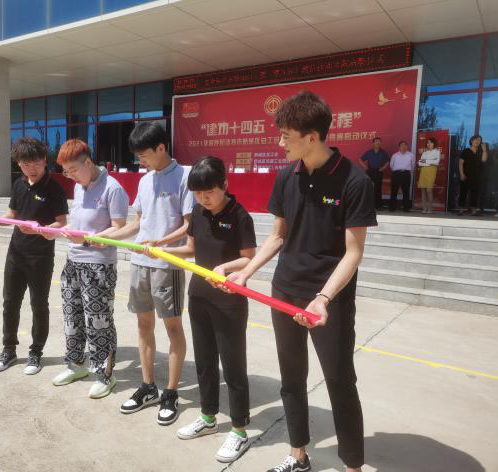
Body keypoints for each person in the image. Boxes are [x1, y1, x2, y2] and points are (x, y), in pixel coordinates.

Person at [229, 91, 377, 472]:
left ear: (312, 137)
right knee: (291, 378)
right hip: (285, 291)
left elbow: (354, 253)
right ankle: (298, 455)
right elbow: (278, 235)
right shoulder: (287, 177)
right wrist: (247, 271)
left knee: (339, 381)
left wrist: (323, 298)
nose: (280, 143)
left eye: (286, 136)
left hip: (329, 299)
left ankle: (352, 466)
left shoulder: (354, 181)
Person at [155, 156, 256, 463]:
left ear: (224, 185)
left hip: (228, 300)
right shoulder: (198, 213)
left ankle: (239, 430)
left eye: (208, 192)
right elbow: (192, 248)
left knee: (233, 365)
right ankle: (208, 417)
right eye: (198, 194)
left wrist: (224, 268)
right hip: (199, 296)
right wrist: (164, 250)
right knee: (204, 362)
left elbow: (249, 257)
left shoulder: (240, 215)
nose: (203, 199)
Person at [105, 121, 195, 425]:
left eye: (144, 155)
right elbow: (137, 224)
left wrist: (160, 243)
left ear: (161, 147)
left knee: (173, 329)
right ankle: (148, 386)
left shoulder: (185, 176)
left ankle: (170, 392)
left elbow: (189, 225)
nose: (141, 162)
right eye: (138, 157)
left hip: (167, 264)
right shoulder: (145, 181)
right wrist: (102, 237)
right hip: (140, 263)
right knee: (143, 326)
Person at [45, 139, 129, 399]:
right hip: (73, 261)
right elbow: (78, 224)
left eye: (73, 170)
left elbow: (119, 228)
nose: (70, 176)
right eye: (66, 172)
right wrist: (57, 231)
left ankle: (105, 375)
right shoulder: (79, 187)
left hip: (98, 265)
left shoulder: (113, 188)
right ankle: (76, 365)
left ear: (89, 162)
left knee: (99, 321)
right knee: (72, 317)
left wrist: (89, 240)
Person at [0, 136, 68, 375]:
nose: (31, 168)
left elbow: (62, 223)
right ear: (18, 164)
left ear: (44, 161)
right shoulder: (19, 185)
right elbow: (12, 214)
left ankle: (36, 352)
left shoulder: (54, 188)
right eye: (25, 164)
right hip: (16, 253)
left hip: (40, 256)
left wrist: (39, 229)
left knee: (38, 304)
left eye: (36, 163)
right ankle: (9, 350)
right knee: (10, 302)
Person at [459, 135, 488, 216]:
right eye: (476, 139)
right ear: (471, 140)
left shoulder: (480, 152)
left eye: (479, 140)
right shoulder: (466, 151)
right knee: (463, 192)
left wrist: (484, 150)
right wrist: (461, 174)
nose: (477, 141)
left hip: (476, 176)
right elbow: (460, 163)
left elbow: (484, 160)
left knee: (474, 193)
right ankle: (461, 210)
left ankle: (474, 211)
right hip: (465, 175)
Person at [359, 137, 389, 209]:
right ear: (373, 143)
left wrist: (383, 168)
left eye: (379, 141)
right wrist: (365, 167)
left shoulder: (383, 152)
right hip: (370, 171)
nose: (378, 143)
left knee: (378, 188)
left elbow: (387, 161)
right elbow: (360, 159)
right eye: (376, 141)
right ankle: (368, 205)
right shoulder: (369, 152)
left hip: (379, 171)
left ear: (380, 143)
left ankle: (378, 205)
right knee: (369, 188)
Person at [417, 137, 442, 214]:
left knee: (429, 190)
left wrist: (426, 161)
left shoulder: (437, 152)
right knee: (423, 190)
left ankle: (430, 208)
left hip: (432, 170)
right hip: (423, 171)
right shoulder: (424, 153)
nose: (429, 144)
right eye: (428, 142)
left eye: (430, 142)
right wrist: (430, 161)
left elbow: (436, 162)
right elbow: (420, 162)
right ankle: (424, 208)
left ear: (434, 144)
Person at [389, 140, 414, 212]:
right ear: (399, 147)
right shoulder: (395, 155)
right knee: (394, 191)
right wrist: (397, 170)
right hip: (396, 174)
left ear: (407, 146)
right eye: (402, 145)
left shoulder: (411, 155)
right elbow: (391, 165)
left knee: (406, 191)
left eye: (405, 145)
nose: (404, 146)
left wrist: (405, 170)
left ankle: (406, 208)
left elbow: (413, 165)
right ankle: (392, 207)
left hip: (406, 174)